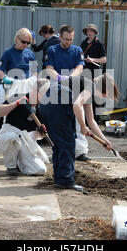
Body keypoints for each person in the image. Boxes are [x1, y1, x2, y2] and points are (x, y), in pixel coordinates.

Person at [44, 25, 91, 162]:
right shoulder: (52, 50)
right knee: (60, 122)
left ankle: (80, 152)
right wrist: (59, 78)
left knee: (78, 118)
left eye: (71, 39)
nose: (68, 42)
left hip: (74, 86)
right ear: (60, 37)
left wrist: (70, 77)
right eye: (66, 39)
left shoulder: (77, 50)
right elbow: (49, 68)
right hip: (57, 88)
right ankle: (59, 151)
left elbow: (80, 66)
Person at [0, 80, 50, 176]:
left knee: (40, 170)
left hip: (27, 141)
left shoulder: (41, 108)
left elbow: (38, 133)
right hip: (10, 135)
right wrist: (16, 103)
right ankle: (11, 166)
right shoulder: (18, 96)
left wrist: (42, 132)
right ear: (35, 90)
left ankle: (21, 162)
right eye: (44, 93)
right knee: (12, 137)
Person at [38, 79, 83, 192]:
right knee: (67, 144)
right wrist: (83, 126)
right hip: (58, 100)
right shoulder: (90, 88)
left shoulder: (81, 85)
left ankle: (59, 178)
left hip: (47, 101)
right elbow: (77, 107)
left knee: (58, 144)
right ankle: (65, 180)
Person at [70, 74, 120, 153]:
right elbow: (76, 105)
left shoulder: (89, 91)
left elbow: (91, 121)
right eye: (106, 95)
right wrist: (83, 126)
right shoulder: (90, 87)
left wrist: (103, 139)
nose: (105, 97)